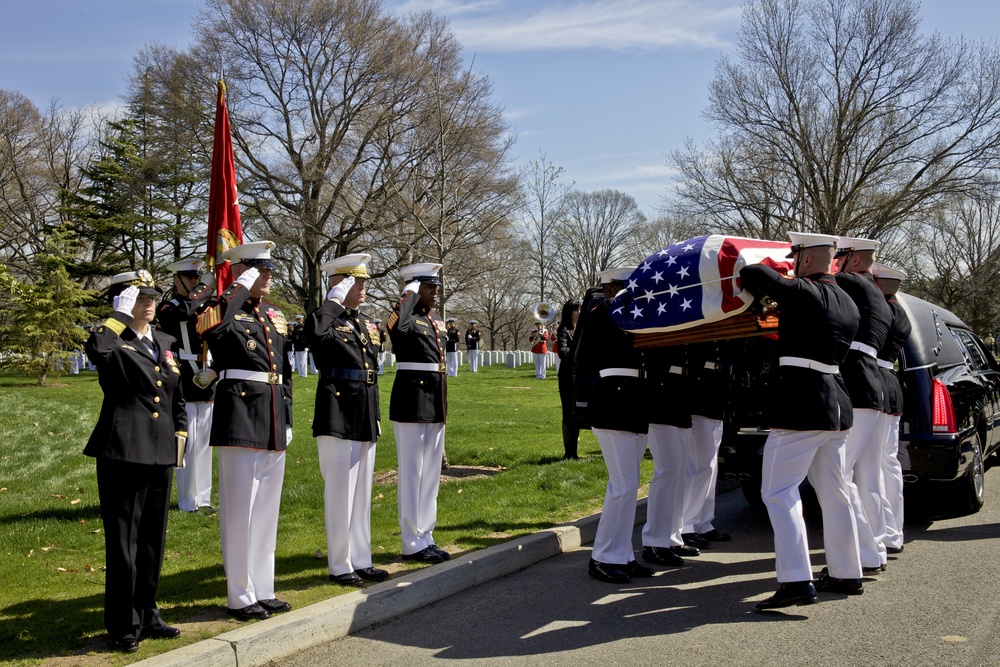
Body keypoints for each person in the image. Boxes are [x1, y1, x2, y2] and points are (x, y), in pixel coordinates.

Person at [739, 231, 863, 609]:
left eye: (795, 258)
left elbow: (753, 274)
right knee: (835, 491)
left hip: (802, 402)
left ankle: (795, 580)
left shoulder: (806, 292)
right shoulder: (849, 303)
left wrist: (777, 266)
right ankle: (846, 571)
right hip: (835, 403)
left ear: (806, 259)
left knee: (777, 491)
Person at [84, 270, 186, 652]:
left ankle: (147, 611)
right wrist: (117, 317)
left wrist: (180, 435)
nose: (149, 302)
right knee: (124, 540)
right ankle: (122, 622)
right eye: (138, 297)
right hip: (124, 450)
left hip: (160, 451)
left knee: (152, 540)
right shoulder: (112, 339)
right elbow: (97, 352)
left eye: (151, 296)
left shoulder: (164, 340)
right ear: (121, 301)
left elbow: (175, 394)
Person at [197, 240, 294, 621]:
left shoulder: (271, 314)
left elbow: (282, 371)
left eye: (268, 269)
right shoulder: (222, 308)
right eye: (259, 268)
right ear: (240, 270)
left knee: (267, 508)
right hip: (239, 411)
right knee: (240, 510)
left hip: (270, 413)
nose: (267, 275)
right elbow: (210, 329)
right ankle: (239, 593)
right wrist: (235, 287)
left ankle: (263, 587)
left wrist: (285, 417)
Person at [306, 252, 388, 587]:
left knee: (362, 492)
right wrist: (332, 301)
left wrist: (376, 415)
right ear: (340, 283)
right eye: (357, 281)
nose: (364, 286)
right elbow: (313, 337)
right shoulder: (324, 318)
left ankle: (361, 557)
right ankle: (340, 564)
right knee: (341, 492)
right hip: (337, 409)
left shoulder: (364, 321)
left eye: (364, 280)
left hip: (365, 408)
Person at [574, 266, 654, 584]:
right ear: (609, 289)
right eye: (625, 286)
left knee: (627, 486)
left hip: (634, 405)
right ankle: (603, 557)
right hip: (613, 404)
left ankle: (622, 553)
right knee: (622, 485)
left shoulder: (635, 312)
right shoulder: (602, 312)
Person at [386, 262, 451, 564]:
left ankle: (426, 534)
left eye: (435, 286)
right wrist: (407, 299)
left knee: (430, 475)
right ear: (413, 289)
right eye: (428, 286)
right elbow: (398, 335)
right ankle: (411, 540)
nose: (435, 291)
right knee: (412, 474)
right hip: (412, 399)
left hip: (435, 400)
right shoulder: (404, 315)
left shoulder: (435, 318)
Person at [834, 237, 892, 574]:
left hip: (856, 385)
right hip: (874, 386)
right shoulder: (877, 293)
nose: (833, 265)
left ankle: (864, 552)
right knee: (868, 475)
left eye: (837, 258)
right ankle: (877, 545)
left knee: (839, 476)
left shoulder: (850, 282)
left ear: (851, 260)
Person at [157, 258, 217, 514]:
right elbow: (185, 312)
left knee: (204, 443)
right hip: (184, 378)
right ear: (176, 279)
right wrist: (205, 288)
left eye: (197, 277)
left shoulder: (204, 304)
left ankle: (202, 498)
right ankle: (186, 500)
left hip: (207, 374)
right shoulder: (168, 307)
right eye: (190, 278)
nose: (194, 281)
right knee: (188, 442)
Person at [872, 263, 912, 556]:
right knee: (888, 463)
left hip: (875, 381)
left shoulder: (883, 311)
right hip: (891, 387)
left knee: (871, 466)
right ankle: (892, 532)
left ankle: (878, 535)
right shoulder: (901, 313)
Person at [641, 344, 692, 567]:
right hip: (659, 389)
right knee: (668, 469)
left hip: (679, 390)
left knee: (680, 471)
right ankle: (654, 541)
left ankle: (672, 535)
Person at [681, 341, 732, 546]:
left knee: (711, 466)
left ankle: (704, 522)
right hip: (698, 389)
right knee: (701, 464)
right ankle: (687, 525)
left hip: (716, 389)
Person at [555, 300, 582, 459]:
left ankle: (574, 452)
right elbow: (563, 351)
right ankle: (568, 452)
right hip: (567, 376)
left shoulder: (582, 329)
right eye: (576, 310)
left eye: (580, 310)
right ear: (569, 312)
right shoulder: (564, 329)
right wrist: (578, 352)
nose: (579, 312)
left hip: (579, 376)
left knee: (577, 413)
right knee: (568, 413)